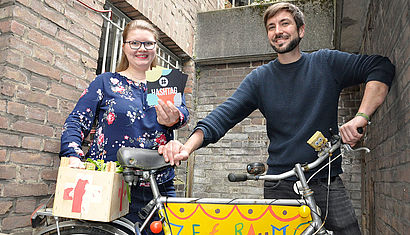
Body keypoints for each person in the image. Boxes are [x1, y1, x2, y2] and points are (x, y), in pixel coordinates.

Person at [158, 2, 394, 235]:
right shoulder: (260, 79)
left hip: (326, 180)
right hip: (280, 184)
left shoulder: (326, 63)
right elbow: (222, 117)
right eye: (271, 26)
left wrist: (360, 117)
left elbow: (380, 67)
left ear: (301, 30)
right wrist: (187, 148)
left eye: (284, 23)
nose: (277, 30)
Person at [59, 20, 189, 234]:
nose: (142, 49)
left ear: (155, 47)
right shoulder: (106, 82)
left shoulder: (165, 82)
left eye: (148, 44)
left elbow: (183, 114)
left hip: (157, 182)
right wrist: (72, 155)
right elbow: (76, 121)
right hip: (110, 183)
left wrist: (175, 118)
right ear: (124, 47)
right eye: (135, 43)